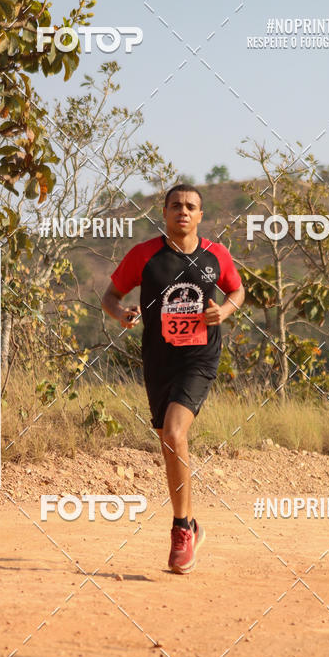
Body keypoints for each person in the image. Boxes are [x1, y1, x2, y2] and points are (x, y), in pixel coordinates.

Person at [102, 184, 245, 574]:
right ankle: (192, 522)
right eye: (176, 206)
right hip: (158, 360)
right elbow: (110, 296)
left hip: (199, 358)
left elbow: (237, 290)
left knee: (175, 433)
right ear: (164, 213)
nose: (183, 211)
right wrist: (120, 314)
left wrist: (225, 312)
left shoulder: (216, 255)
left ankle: (181, 530)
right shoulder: (144, 256)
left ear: (201, 216)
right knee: (167, 439)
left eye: (191, 207)